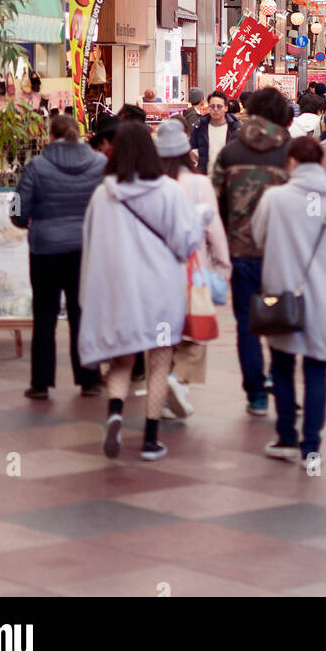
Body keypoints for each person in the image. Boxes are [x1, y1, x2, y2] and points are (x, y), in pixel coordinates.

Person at [78, 122, 203, 460]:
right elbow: (185, 242)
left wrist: (89, 293)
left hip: (120, 291)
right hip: (162, 291)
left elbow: (90, 243)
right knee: (159, 362)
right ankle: (150, 440)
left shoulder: (103, 194)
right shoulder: (170, 191)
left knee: (122, 359)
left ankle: (115, 413)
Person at [251, 138, 326, 466]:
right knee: (317, 371)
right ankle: (311, 447)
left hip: (284, 298)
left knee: (282, 367)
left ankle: (286, 437)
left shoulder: (274, 198)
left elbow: (257, 237)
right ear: (322, 164)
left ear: (292, 163)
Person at [13, 115, 107, 400]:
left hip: (45, 249)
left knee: (44, 314)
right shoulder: (99, 164)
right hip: (86, 249)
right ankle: (89, 379)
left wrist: (24, 221)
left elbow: (17, 208)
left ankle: (40, 383)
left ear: (51, 136)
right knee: (83, 313)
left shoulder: (36, 166)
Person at [212, 86, 292, 414]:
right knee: (279, 318)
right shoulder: (290, 151)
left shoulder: (230, 152)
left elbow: (217, 202)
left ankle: (256, 394)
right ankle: (278, 377)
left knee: (247, 323)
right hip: (280, 255)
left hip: (241, 253)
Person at [155, 118, 232, 416]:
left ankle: (161, 391)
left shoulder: (149, 183)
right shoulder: (200, 183)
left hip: (156, 270)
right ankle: (179, 382)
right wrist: (223, 267)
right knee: (195, 331)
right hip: (193, 269)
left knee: (161, 335)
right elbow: (214, 230)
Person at [190, 89, 239, 175]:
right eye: (212, 106)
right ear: (208, 108)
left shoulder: (235, 128)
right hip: (205, 177)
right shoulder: (200, 128)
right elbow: (192, 150)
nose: (215, 109)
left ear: (226, 108)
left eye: (219, 106)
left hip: (228, 177)